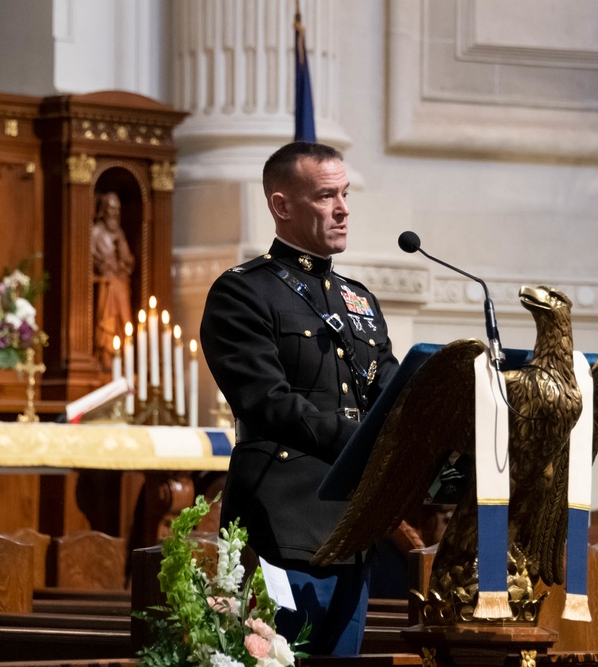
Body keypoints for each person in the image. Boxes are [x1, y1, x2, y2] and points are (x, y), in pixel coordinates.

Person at [200, 142, 399, 656]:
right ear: (282, 205)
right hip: (280, 522)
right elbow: (267, 402)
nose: (343, 208)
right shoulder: (242, 292)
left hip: (351, 530)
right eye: (326, 195)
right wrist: (364, 445)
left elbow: (391, 393)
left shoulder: (359, 301)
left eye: (345, 194)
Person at [92, 191, 135, 368]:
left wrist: (121, 246)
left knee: (124, 316)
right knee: (110, 291)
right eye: (111, 208)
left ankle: (123, 351)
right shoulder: (96, 232)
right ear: (103, 210)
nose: (115, 213)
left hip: (120, 281)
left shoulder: (120, 234)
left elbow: (128, 262)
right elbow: (90, 258)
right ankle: (106, 351)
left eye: (117, 209)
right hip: (106, 283)